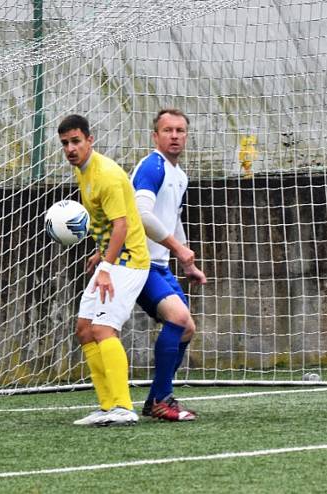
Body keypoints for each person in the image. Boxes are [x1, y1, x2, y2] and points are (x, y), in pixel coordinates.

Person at [60, 115, 150, 426]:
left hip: (130, 261)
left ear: (89, 140)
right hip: (111, 260)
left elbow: (122, 224)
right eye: (65, 144)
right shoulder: (82, 171)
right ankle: (107, 405)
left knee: (103, 329)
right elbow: (106, 222)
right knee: (84, 329)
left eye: (76, 141)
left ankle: (124, 407)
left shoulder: (107, 175)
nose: (71, 148)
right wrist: (99, 253)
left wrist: (106, 266)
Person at [132, 109, 207, 421]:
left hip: (160, 264)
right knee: (178, 317)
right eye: (167, 130)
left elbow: (172, 218)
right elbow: (141, 214)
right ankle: (162, 399)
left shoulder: (180, 174)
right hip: (137, 262)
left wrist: (186, 261)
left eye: (180, 130)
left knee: (187, 328)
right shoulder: (152, 167)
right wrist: (177, 247)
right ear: (156, 136)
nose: (174, 136)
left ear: (186, 136)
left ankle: (155, 401)